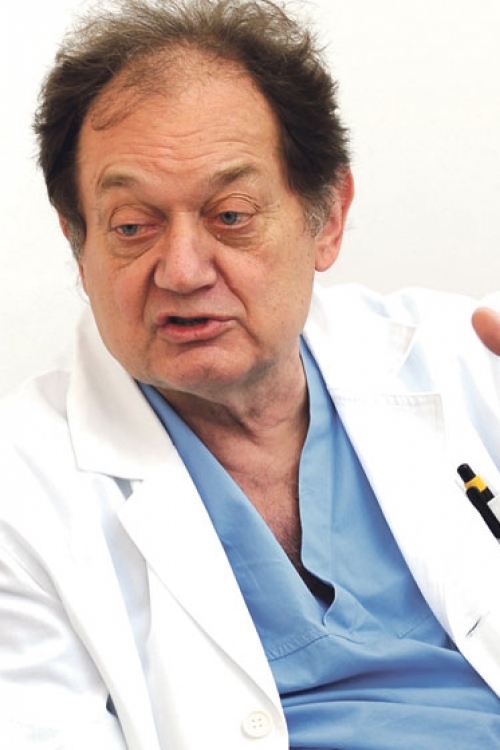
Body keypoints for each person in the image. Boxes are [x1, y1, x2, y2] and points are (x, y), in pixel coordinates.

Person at [1, 0, 500, 747]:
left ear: (327, 218)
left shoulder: (466, 358)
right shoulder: (20, 495)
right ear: (78, 243)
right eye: (132, 226)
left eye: (230, 215)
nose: (182, 270)